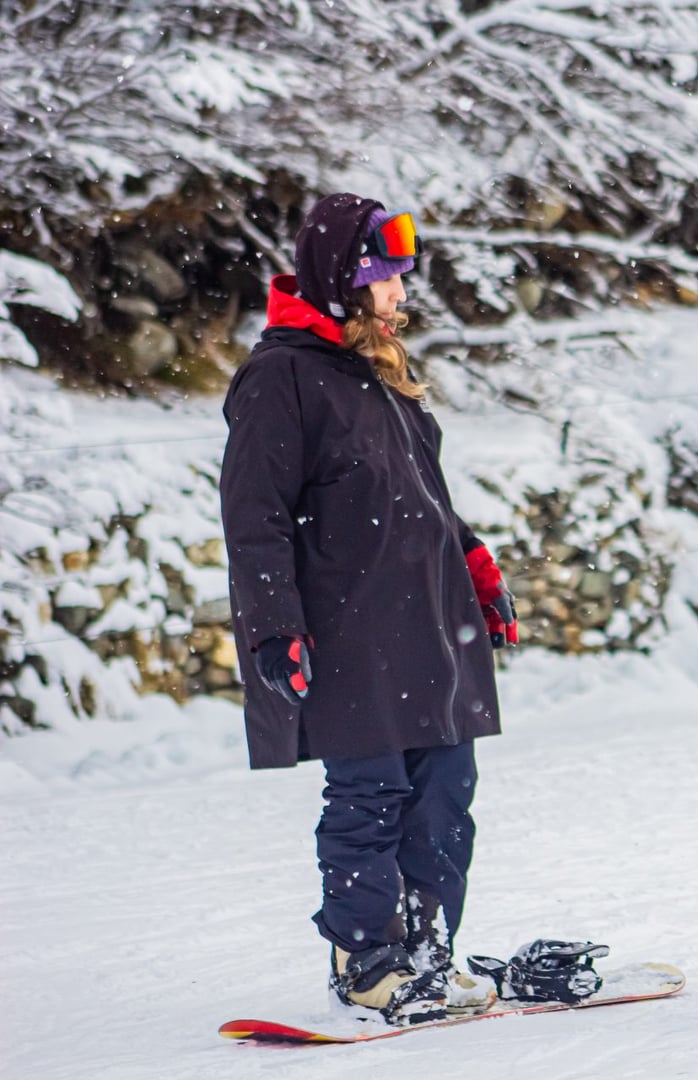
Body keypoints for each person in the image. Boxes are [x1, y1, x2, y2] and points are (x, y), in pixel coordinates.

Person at [220, 193, 525, 1025]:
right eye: (387, 280)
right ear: (345, 282)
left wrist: (477, 569)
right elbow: (255, 521)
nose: (401, 295)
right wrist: (275, 629)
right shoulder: (281, 377)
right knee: (371, 794)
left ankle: (429, 957)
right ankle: (369, 964)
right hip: (347, 631)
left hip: (426, 622)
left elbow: (422, 499)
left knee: (444, 789)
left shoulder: (384, 376)